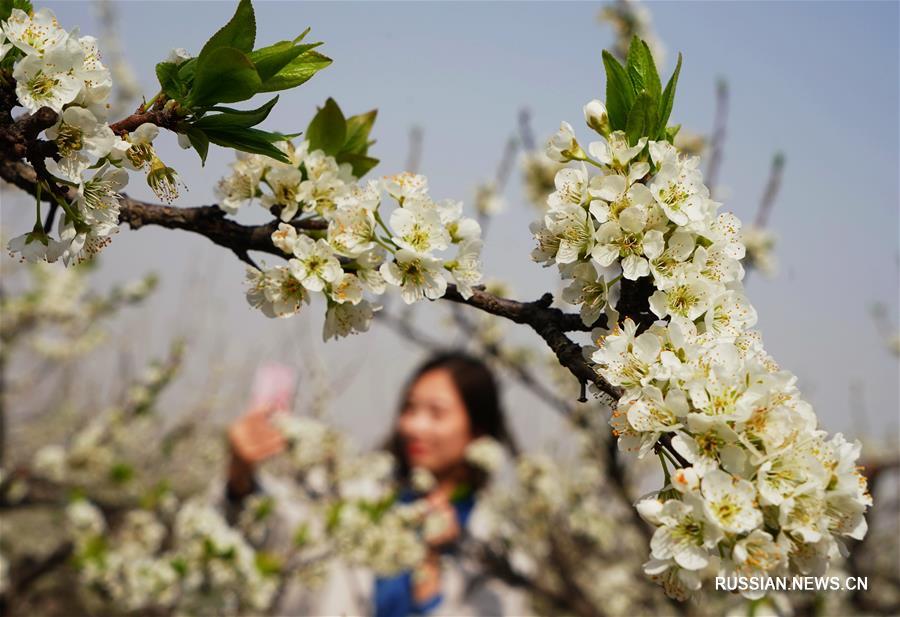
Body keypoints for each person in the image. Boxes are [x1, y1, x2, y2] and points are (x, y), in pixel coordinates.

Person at [221, 351, 528, 616]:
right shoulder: (360, 492)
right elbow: (276, 528)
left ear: (477, 431)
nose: (413, 426)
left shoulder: (500, 547)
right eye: (409, 408)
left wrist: (430, 568)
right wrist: (241, 473)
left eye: (436, 413)